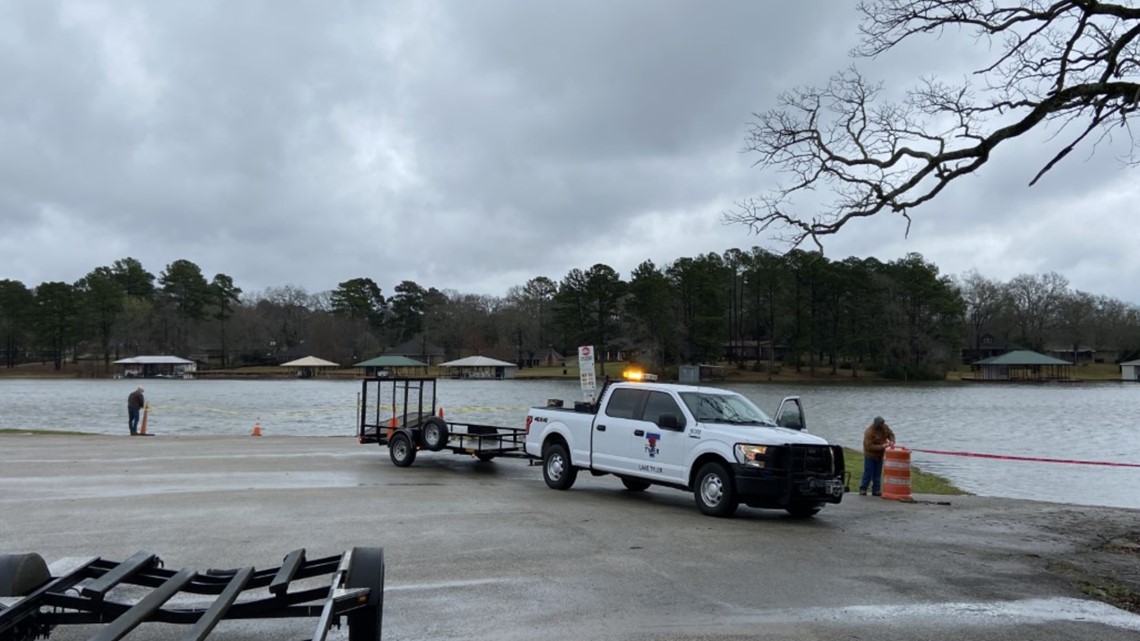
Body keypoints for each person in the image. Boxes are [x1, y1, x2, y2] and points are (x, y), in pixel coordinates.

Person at [859, 416, 896, 496]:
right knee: (868, 472)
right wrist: (882, 447)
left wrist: (892, 441)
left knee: (877, 473)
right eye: (880, 425)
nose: (882, 426)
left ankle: (876, 490)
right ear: (877, 425)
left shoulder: (885, 428)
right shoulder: (869, 432)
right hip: (870, 455)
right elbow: (869, 446)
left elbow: (891, 434)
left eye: (883, 424)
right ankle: (863, 488)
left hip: (880, 455)